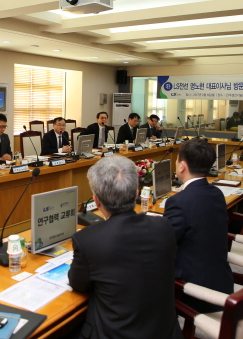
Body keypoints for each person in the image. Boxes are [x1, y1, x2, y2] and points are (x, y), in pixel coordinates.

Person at [68, 156, 182, 339]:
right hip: (165, 332)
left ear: (96, 201)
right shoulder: (164, 226)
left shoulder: (87, 240)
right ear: (137, 194)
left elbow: (78, 284)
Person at [163, 139, 233, 313]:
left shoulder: (178, 202)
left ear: (182, 166)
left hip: (195, 290)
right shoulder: (216, 192)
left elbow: (164, 243)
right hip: (220, 280)